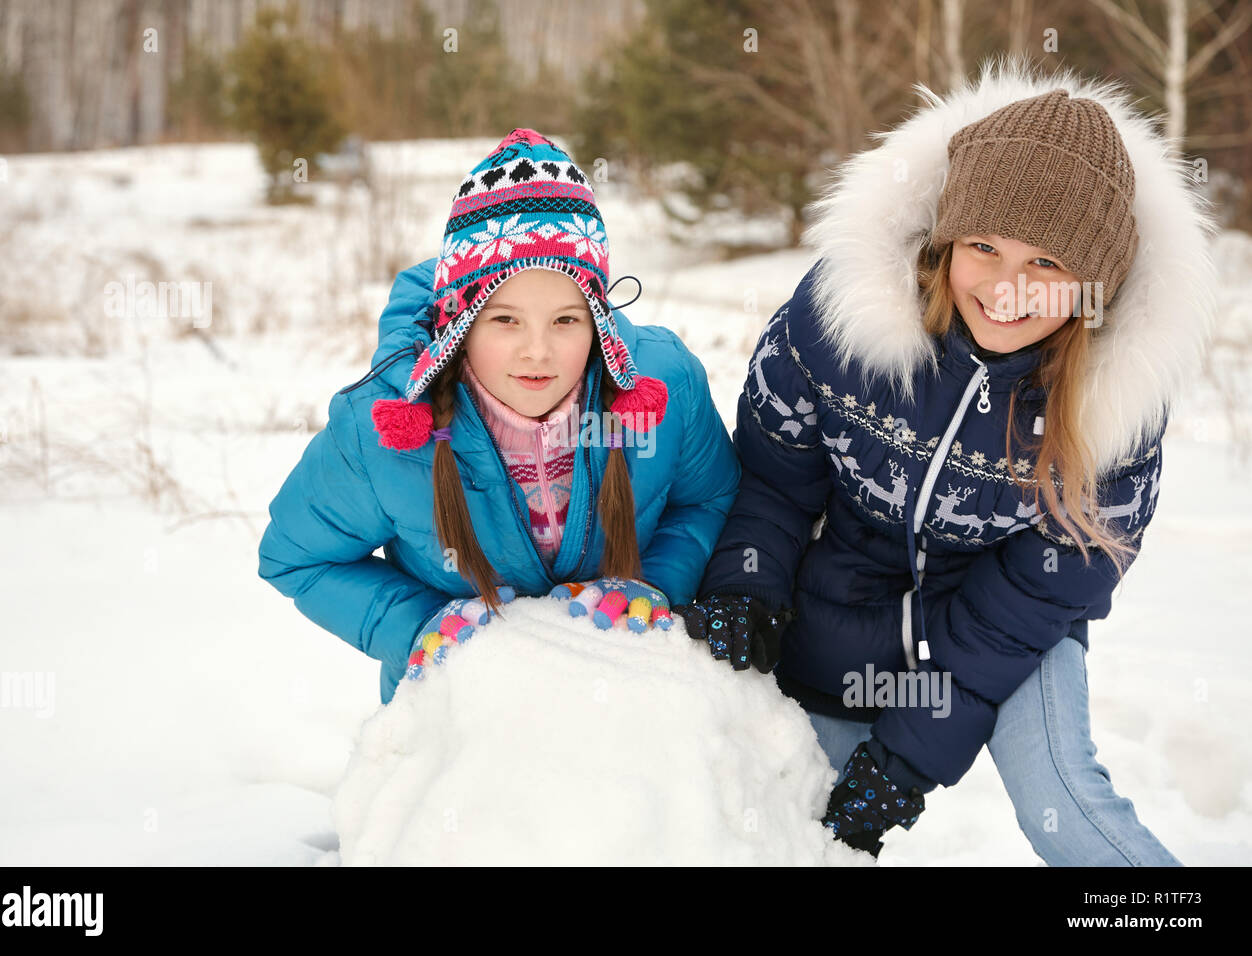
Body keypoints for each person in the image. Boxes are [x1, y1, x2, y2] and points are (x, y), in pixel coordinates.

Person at [678, 64, 1215, 865]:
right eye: (984, 248)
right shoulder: (841, 325)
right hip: (841, 596)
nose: (1005, 290)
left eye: (1046, 266)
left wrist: (907, 759)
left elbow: (1026, 604)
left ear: (1093, 285)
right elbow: (773, 485)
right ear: (945, 242)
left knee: (1061, 801)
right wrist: (744, 590)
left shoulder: (1111, 417)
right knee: (791, 817)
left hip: (1003, 623)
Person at [258, 128, 740, 704]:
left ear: (599, 323)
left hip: (623, 709)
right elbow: (296, 557)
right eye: (505, 320)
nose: (536, 351)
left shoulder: (665, 388)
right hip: (463, 728)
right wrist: (415, 627)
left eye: (566, 320)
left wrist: (652, 583)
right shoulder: (382, 429)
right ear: (460, 328)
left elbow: (710, 499)